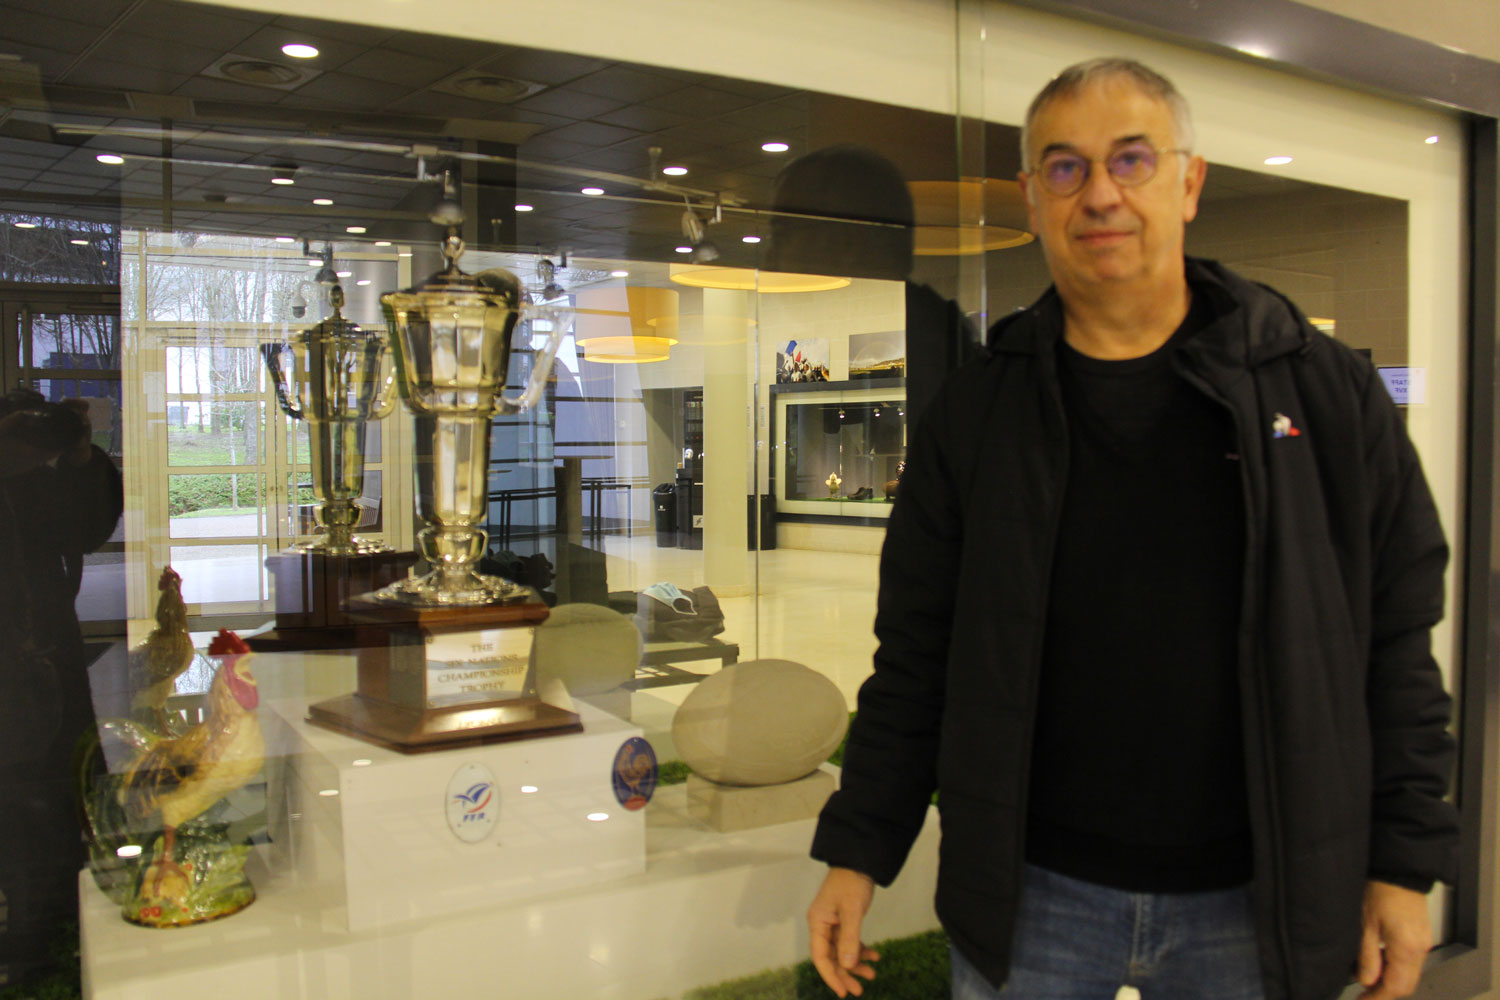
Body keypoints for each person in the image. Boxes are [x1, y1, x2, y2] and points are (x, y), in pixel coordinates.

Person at [806, 58, 1458, 1000]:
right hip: (1033, 897)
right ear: (1032, 200)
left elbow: (1397, 646)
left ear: (1189, 182)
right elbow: (917, 654)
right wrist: (859, 848)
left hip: (1259, 901)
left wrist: (1401, 864)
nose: (1100, 193)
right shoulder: (978, 414)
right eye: (1065, 168)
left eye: (1132, 160)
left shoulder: (1320, 391)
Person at [0, 387, 123, 985]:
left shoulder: (31, 485)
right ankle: (28, 941)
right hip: (17, 664)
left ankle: (52, 934)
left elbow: (85, 529)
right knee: (19, 807)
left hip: (45, 656)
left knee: (56, 795)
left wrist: (80, 458)